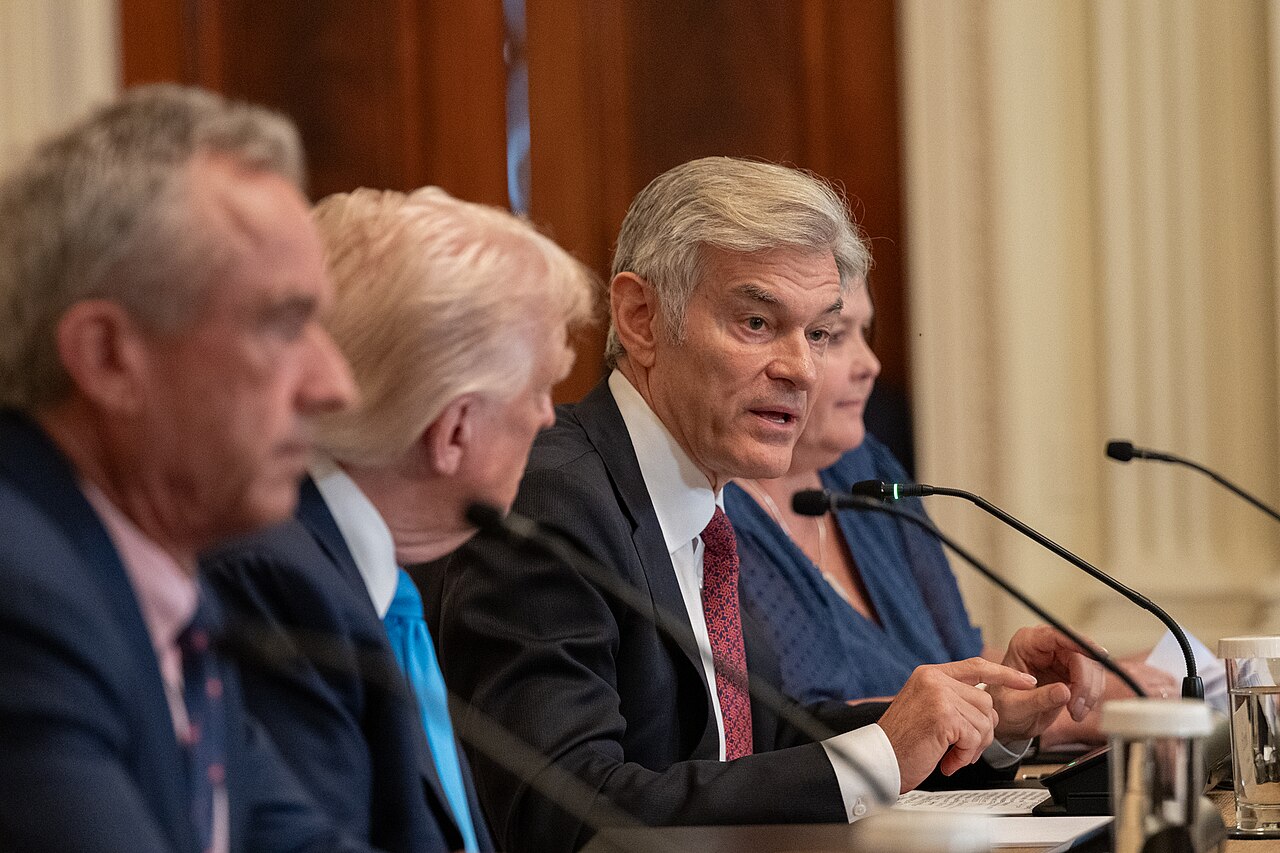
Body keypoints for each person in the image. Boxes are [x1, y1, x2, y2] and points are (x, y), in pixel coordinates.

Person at [429, 156, 1105, 853]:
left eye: (817, 333)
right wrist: (879, 753)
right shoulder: (555, 498)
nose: (801, 369)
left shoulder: (695, 498)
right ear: (640, 318)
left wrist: (970, 722)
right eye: (757, 321)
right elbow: (565, 807)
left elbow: (760, 741)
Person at [0, 84, 373, 851]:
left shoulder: (162, 584)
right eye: (282, 324)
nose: (335, 385)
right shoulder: (24, 596)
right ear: (108, 357)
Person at [202, 187, 595, 852]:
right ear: (454, 429)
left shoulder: (372, 570)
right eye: (538, 389)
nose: (548, 416)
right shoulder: (278, 581)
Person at [724, 278, 1176, 740]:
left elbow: (958, 654)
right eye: (835, 336)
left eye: (866, 332)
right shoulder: (721, 517)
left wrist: (1057, 685)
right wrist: (1070, 719)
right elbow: (791, 725)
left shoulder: (866, 472)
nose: (871, 364)